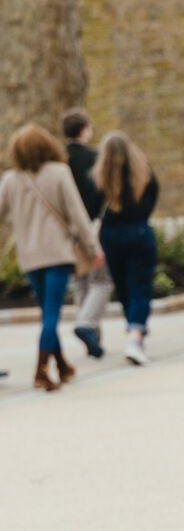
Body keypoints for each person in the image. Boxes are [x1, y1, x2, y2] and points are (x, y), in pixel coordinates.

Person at [0, 124, 102, 391]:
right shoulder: (58, 172)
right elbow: (77, 213)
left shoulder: (11, 179)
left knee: (48, 311)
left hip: (30, 257)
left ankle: (62, 365)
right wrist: (93, 247)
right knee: (51, 313)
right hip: (57, 254)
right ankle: (41, 371)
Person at [92, 131, 159, 366]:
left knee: (123, 288)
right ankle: (135, 337)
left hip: (111, 235)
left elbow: (92, 207)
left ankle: (134, 333)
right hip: (139, 232)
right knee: (140, 287)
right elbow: (152, 201)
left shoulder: (99, 178)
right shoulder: (144, 174)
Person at [62, 107, 112, 358]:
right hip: (92, 224)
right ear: (85, 130)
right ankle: (87, 326)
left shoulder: (58, 160)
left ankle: (92, 336)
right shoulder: (96, 159)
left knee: (79, 280)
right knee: (101, 280)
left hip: (65, 229)